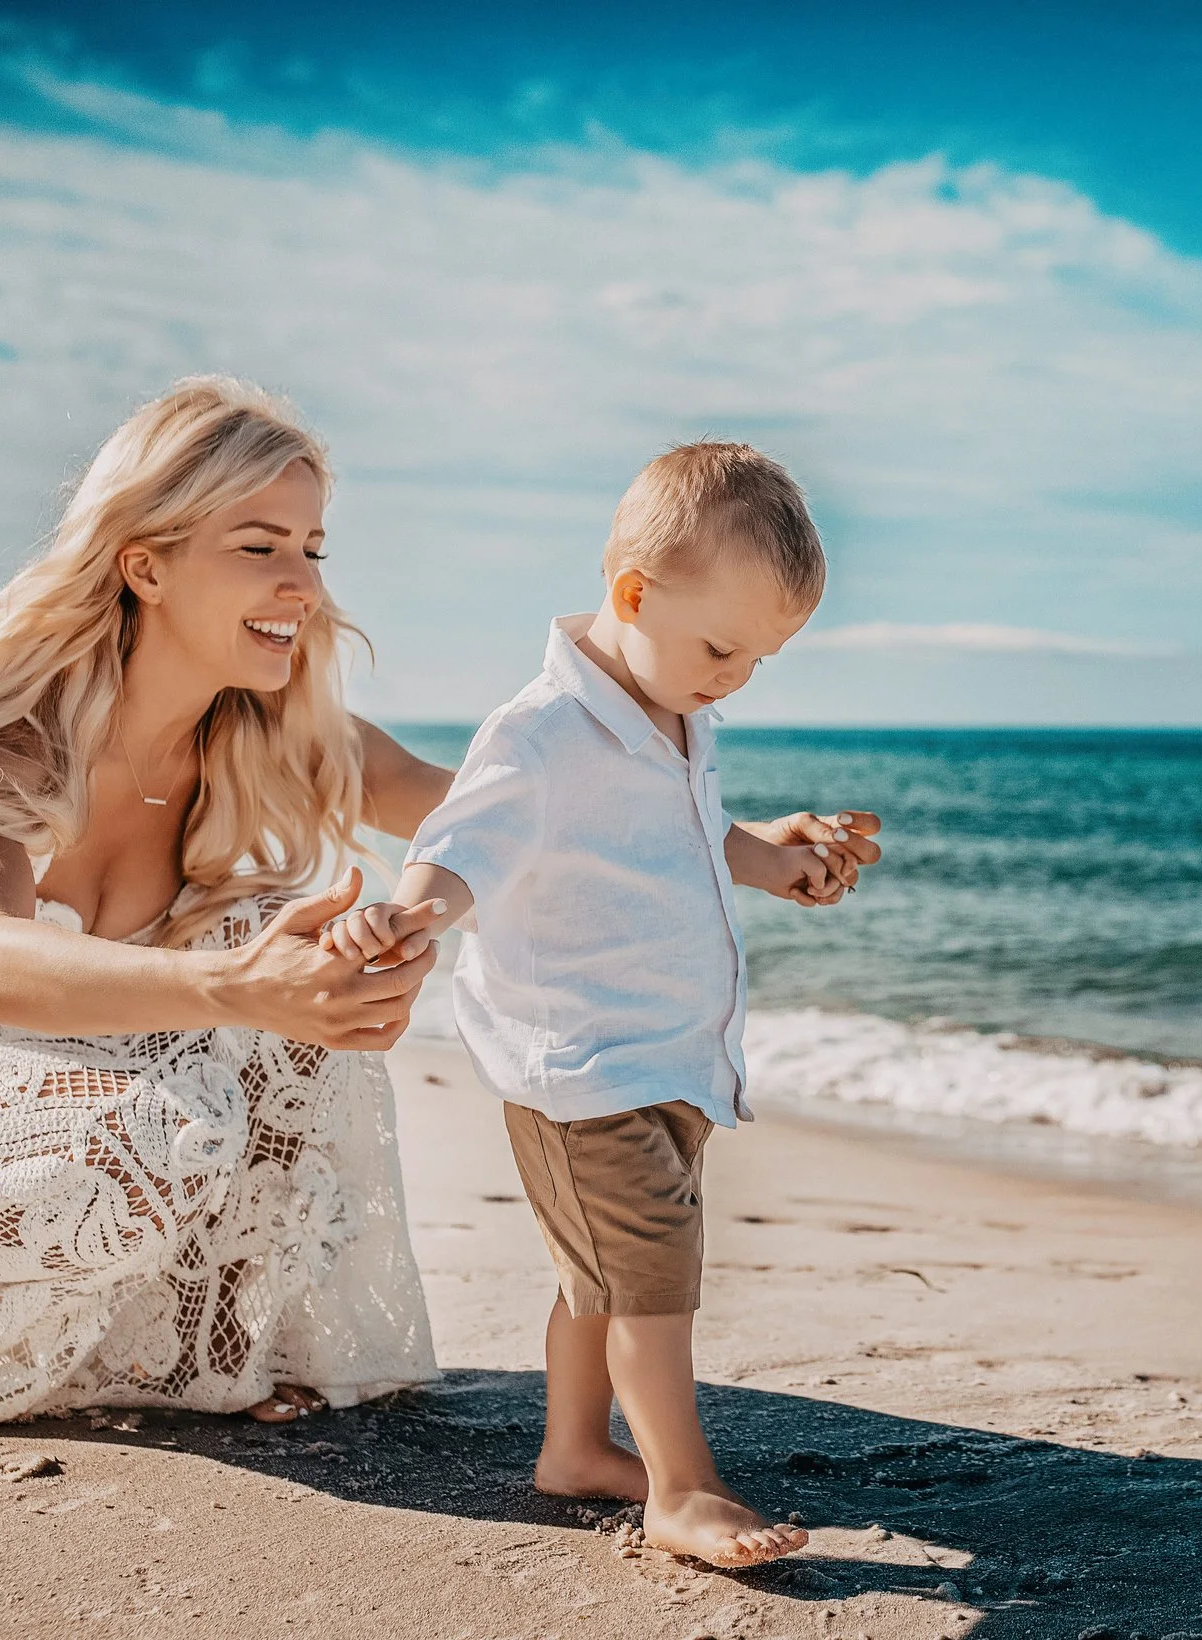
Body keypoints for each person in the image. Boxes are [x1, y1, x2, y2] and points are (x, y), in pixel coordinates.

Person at [0, 378, 457, 1430]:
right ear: (145, 565)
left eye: (312, 548)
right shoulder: (4, 739)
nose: (303, 584)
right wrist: (236, 985)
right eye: (259, 546)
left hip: (68, 1058)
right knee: (180, 1088)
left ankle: (213, 1351)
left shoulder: (264, 732)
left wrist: (708, 815)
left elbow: (483, 809)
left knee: (297, 962)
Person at [322, 442, 882, 1569]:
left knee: (600, 1275)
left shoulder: (672, 709)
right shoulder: (540, 730)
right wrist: (412, 911)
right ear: (633, 595)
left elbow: (679, 836)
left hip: (666, 1055)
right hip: (581, 1066)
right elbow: (466, 837)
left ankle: (575, 1449)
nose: (736, 678)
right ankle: (682, 1488)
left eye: (759, 658)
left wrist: (777, 864)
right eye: (721, 648)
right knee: (652, 1278)